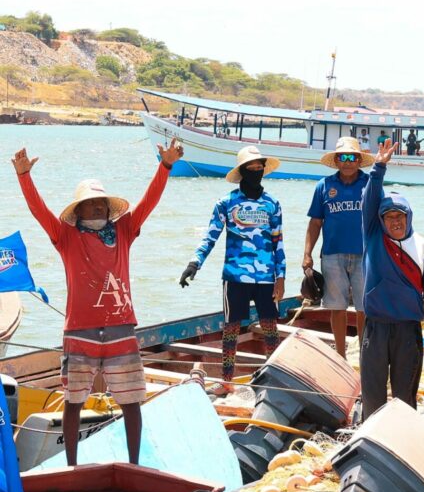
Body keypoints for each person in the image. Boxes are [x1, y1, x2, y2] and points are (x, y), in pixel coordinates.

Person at [11, 139, 185, 466]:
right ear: (79, 211)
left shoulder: (124, 231)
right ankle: (72, 466)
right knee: (74, 402)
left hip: (121, 330)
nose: (98, 209)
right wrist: (24, 177)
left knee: (132, 403)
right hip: (80, 332)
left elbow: (149, 202)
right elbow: (39, 212)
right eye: (91, 205)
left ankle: (134, 463)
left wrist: (165, 166)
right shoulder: (65, 236)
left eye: (102, 204)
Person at [180, 146, 286, 391]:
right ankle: (227, 381)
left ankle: (274, 380)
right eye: (252, 167)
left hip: (266, 278)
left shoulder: (272, 204)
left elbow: (278, 242)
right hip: (235, 277)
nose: (257, 171)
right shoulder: (226, 203)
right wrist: (194, 263)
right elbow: (210, 237)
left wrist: (280, 277)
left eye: (260, 167)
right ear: (242, 171)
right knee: (231, 329)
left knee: (270, 329)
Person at [359, 141, 424, 419]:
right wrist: (379, 167)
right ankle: (370, 435)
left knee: (404, 391)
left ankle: (404, 437)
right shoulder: (374, 236)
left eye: (400, 216)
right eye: (389, 217)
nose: (395, 221)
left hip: (409, 329)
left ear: (409, 217)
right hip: (376, 327)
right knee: (372, 389)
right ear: (381, 221)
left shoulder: (423, 248)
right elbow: (369, 201)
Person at [303, 137, 374, 357]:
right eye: (343, 157)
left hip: (365, 255)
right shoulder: (324, 186)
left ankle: (365, 355)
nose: (348, 162)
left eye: (352, 157)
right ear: (336, 160)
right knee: (337, 307)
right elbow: (315, 223)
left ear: (359, 160)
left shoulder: (370, 183)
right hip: (332, 255)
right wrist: (307, 254)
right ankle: (340, 355)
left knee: (364, 308)